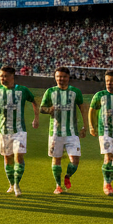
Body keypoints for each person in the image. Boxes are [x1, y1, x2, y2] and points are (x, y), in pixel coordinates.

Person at [0, 66, 39, 197]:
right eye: (1, 76)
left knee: (19, 156)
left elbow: (34, 102)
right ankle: (12, 184)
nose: (2, 78)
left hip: (19, 130)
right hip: (3, 130)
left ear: (12, 76)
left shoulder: (23, 90)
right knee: (7, 158)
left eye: (5, 76)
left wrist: (36, 118)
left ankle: (17, 185)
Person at [39, 67, 86, 195]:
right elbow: (42, 108)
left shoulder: (76, 92)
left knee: (75, 160)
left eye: (64, 77)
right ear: (55, 77)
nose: (61, 79)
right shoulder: (50, 92)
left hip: (72, 132)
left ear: (68, 78)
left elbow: (82, 108)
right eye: (59, 76)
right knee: (56, 159)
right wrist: (49, 110)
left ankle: (68, 176)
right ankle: (58, 185)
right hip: (55, 132)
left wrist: (85, 126)